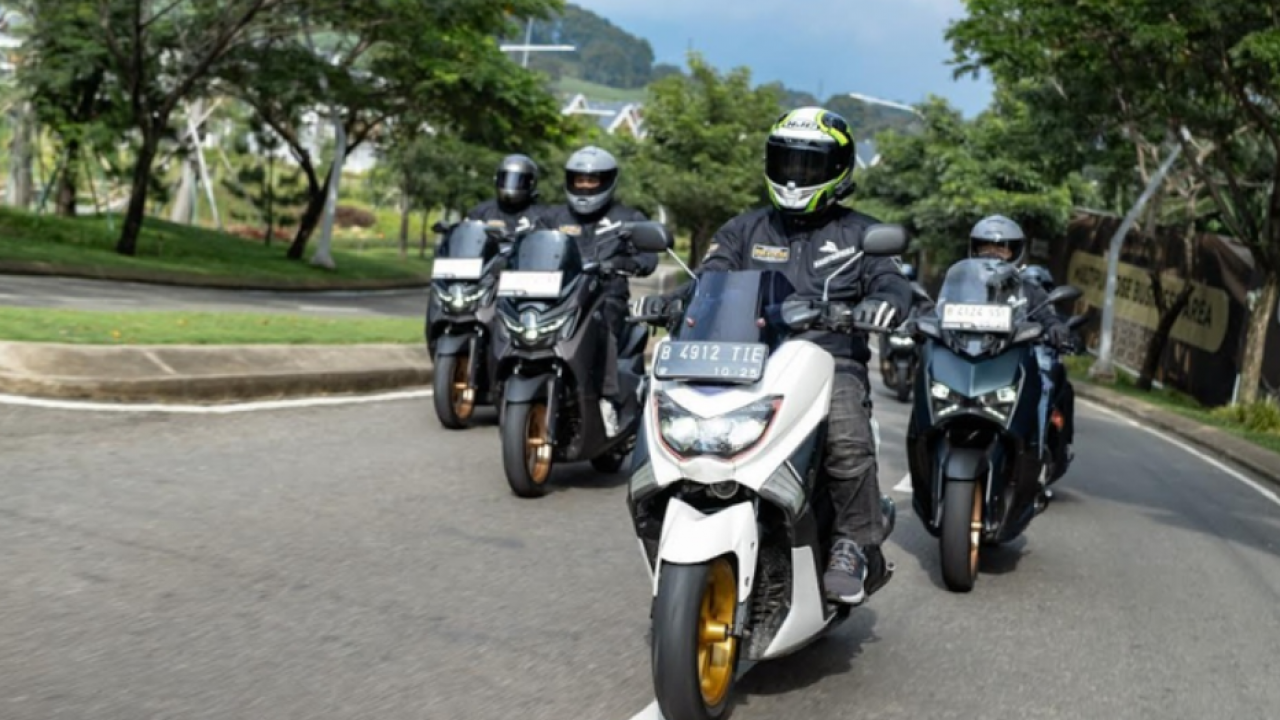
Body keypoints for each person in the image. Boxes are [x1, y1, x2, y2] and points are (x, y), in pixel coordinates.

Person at [653, 107, 912, 606]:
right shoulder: (743, 230)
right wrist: (669, 302)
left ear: (839, 170)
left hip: (827, 361)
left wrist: (883, 304)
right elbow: (708, 280)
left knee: (846, 438)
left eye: (809, 165)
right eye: (786, 161)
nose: (795, 176)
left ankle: (854, 543)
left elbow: (892, 284)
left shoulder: (862, 234)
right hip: (742, 359)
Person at [537, 145, 657, 436]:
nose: (585, 186)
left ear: (608, 181)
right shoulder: (552, 218)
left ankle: (609, 399)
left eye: (592, 180)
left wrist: (624, 263)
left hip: (605, 297)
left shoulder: (628, 218)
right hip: (556, 297)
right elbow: (529, 246)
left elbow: (648, 257)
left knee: (603, 325)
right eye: (579, 179)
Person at [968, 217, 1075, 462]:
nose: (993, 254)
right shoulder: (965, 284)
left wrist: (1056, 329)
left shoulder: (1028, 289)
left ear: (1014, 252)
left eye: (1001, 248)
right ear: (974, 249)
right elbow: (940, 309)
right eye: (986, 246)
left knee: (1044, 385)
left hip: (1012, 361)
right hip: (969, 358)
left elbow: (1047, 317)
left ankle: (1035, 450)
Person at [1021, 264, 1076, 463]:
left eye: (1041, 287)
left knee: (1046, 387)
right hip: (1011, 356)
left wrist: (1064, 336)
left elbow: (1059, 326)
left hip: (1042, 360)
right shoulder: (1006, 299)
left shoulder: (1048, 309)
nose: (1038, 290)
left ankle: (1037, 448)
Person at [465, 153, 546, 235]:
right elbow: (466, 236)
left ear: (531, 183)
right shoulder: (480, 212)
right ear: (497, 179)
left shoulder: (542, 215)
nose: (511, 185)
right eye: (505, 178)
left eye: (519, 181)